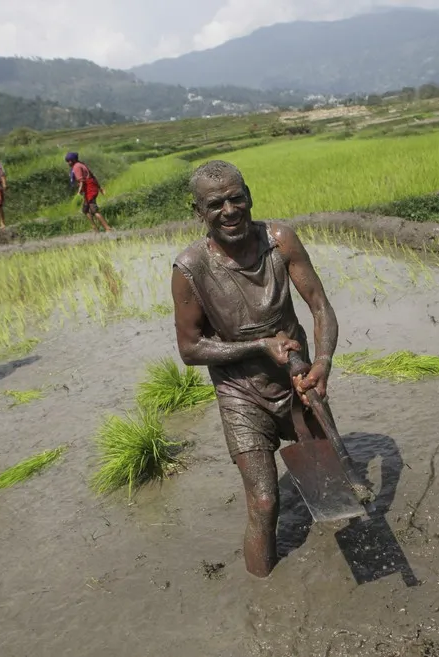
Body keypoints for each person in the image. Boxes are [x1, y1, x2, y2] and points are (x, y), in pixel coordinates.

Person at [171, 160, 338, 578]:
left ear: (249, 196)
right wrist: (261, 345)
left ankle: (341, 578)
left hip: (297, 378)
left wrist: (322, 363)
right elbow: (190, 349)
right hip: (240, 392)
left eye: (236, 198)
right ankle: (263, 590)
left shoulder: (280, 240)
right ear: (198, 213)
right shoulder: (190, 268)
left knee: (331, 486)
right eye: (215, 204)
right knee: (264, 503)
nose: (229, 210)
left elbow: (319, 306)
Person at [65, 152, 112, 232]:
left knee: (94, 210)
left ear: (74, 160)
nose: (69, 162)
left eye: (70, 160)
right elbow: (92, 176)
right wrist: (100, 188)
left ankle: (108, 228)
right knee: (85, 210)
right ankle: (95, 228)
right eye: (68, 161)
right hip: (90, 188)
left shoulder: (76, 167)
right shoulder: (81, 164)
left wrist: (78, 193)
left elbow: (82, 181)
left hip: (89, 189)